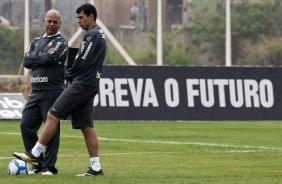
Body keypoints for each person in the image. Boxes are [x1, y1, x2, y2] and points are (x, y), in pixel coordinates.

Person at [13, 3, 106, 176]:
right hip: (90, 83)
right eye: (77, 17)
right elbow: (28, 61)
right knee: (86, 125)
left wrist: (69, 75)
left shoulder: (92, 35)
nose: (78, 21)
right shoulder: (98, 33)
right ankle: (96, 167)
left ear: (91, 17)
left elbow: (81, 60)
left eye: (81, 17)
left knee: (52, 115)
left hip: (81, 83)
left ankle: (35, 153)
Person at [20, 9, 68, 176]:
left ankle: (49, 167)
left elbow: (48, 59)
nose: (52, 24)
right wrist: (43, 57)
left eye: (55, 22)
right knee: (25, 125)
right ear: (44, 22)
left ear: (59, 24)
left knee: (52, 129)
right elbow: (26, 61)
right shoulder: (35, 41)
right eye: (49, 21)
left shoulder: (61, 43)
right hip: (36, 92)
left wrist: (38, 58)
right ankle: (37, 163)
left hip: (52, 90)